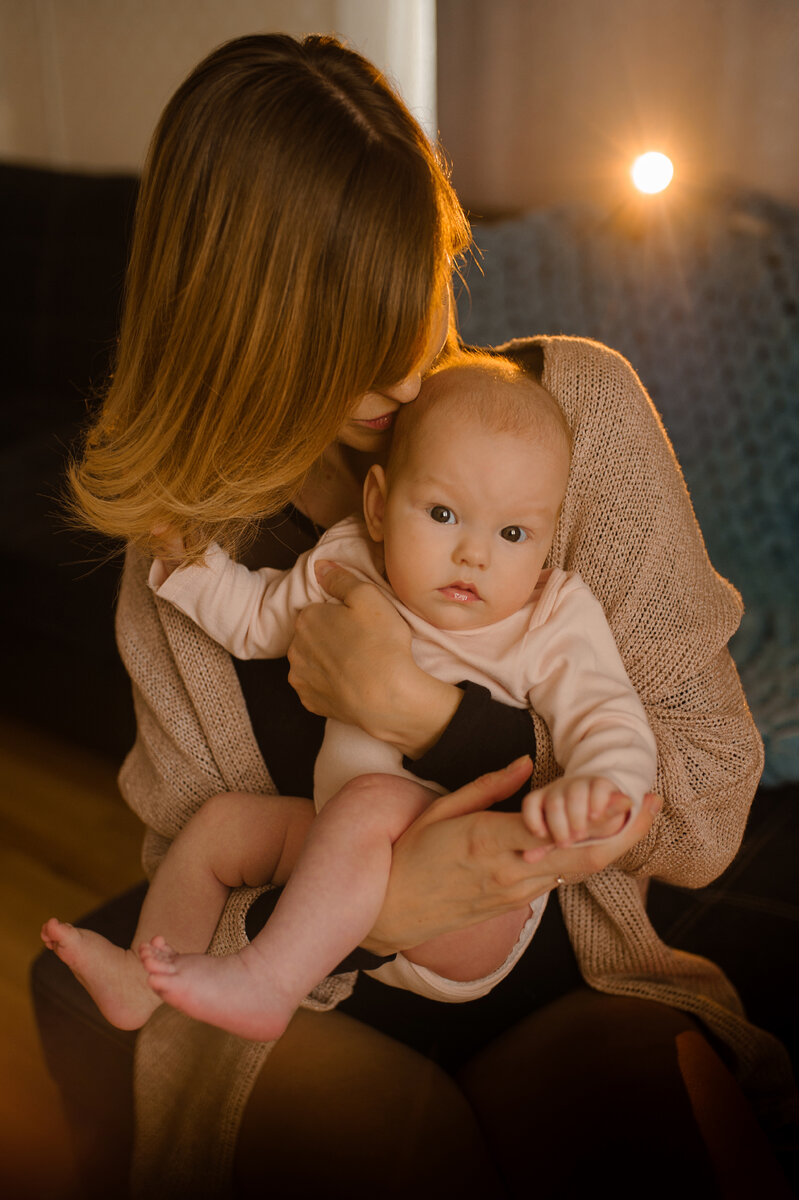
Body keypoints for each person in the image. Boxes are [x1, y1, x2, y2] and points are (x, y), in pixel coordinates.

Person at [60, 31, 796, 1200]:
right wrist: (383, 909)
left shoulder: (570, 425)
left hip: (570, 984)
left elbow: (705, 801)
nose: (406, 374)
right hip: (302, 1011)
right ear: (233, 333)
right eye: (348, 337)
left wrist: (437, 720)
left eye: (418, 294)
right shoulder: (189, 572)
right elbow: (196, 876)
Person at [43, 354, 658, 1040]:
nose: (473, 555)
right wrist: (187, 563)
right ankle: (139, 984)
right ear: (377, 505)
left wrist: (604, 785)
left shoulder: (551, 618)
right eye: (443, 513)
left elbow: (607, 715)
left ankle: (266, 982)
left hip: (478, 900)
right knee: (220, 825)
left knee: (369, 801)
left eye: (512, 534)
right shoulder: (347, 564)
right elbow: (253, 618)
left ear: (546, 538)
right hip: (342, 882)